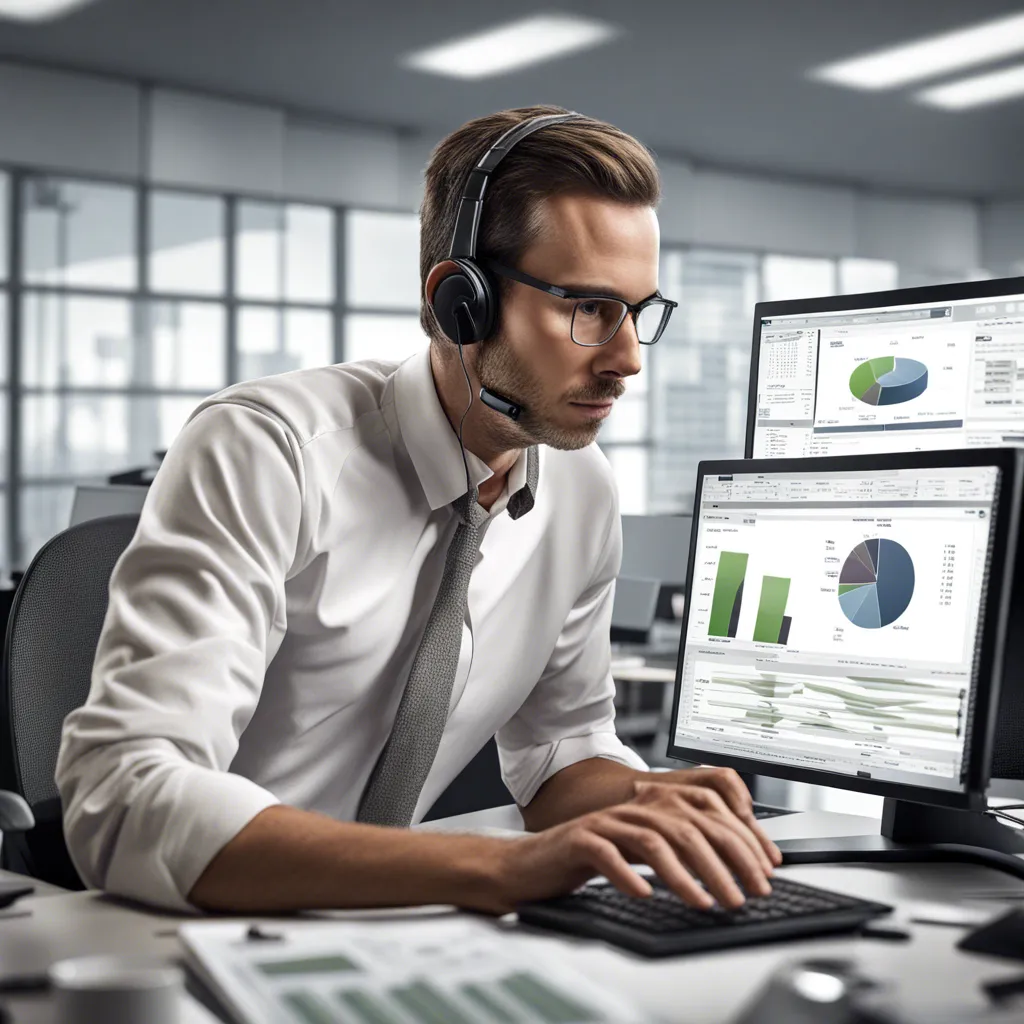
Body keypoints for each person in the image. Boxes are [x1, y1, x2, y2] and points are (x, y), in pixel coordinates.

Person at [56, 105, 781, 915]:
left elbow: (558, 750)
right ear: (459, 301)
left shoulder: (582, 489)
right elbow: (123, 795)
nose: (628, 360)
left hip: (391, 933)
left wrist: (651, 806)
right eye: (588, 309)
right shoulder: (269, 451)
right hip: (196, 931)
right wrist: (499, 870)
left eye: (640, 313)